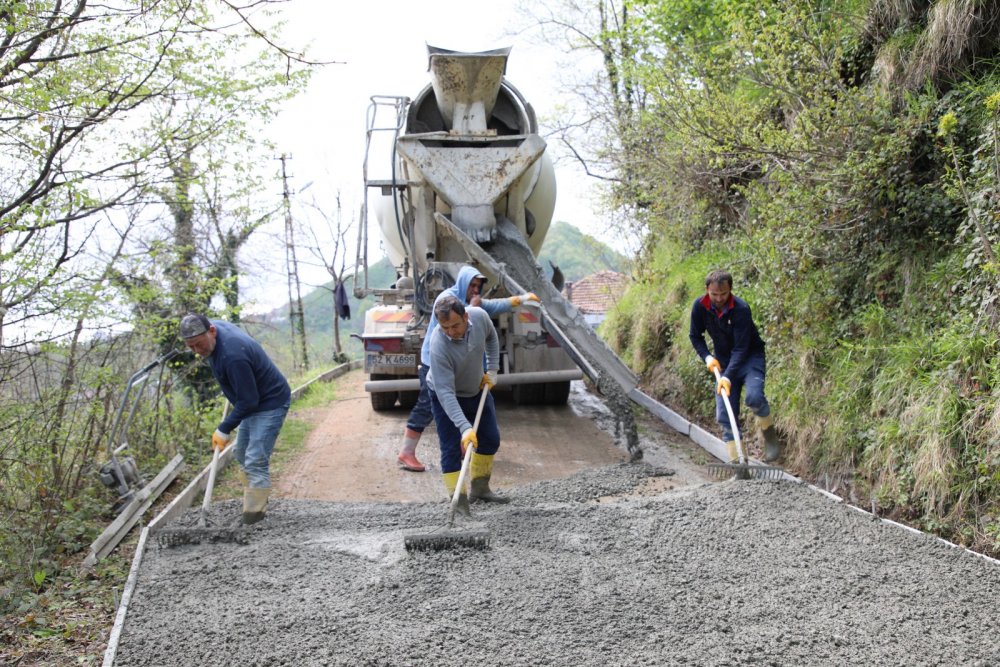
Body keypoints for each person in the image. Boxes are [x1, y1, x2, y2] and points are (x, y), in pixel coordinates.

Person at [396, 265, 538, 472]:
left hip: (459, 360)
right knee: (429, 405)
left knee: (464, 405)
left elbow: (488, 307)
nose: (475, 289)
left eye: (478, 285)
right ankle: (406, 452)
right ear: (463, 283)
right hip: (435, 361)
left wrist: (519, 300)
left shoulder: (470, 307)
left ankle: (464, 445)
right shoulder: (446, 301)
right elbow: (450, 331)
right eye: (471, 285)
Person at [180, 313, 292, 525]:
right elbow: (247, 398)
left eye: (198, 344)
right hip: (251, 399)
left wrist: (224, 428)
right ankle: (255, 494)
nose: (196, 351)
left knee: (255, 459)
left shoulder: (233, 355)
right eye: (191, 346)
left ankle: (254, 517)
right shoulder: (215, 332)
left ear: (212, 331)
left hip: (269, 402)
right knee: (241, 453)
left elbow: (249, 401)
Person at [688, 270, 781, 466]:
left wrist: (727, 377)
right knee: (724, 414)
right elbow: (695, 336)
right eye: (714, 294)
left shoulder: (741, 309)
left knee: (754, 397)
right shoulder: (700, 307)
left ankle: (770, 435)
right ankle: (739, 464)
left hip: (749, 358)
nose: (719, 299)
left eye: (724, 294)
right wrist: (707, 358)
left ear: (730, 290)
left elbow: (741, 348)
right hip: (722, 360)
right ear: (707, 290)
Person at [425, 295, 508, 510]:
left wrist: (492, 369)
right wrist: (464, 428)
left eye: (455, 325)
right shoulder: (438, 345)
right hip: (446, 397)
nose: (451, 332)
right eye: (445, 327)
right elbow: (445, 392)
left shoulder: (480, 317)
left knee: (490, 440)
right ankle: (459, 503)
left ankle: (480, 489)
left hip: (477, 389)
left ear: (466, 316)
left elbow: (491, 336)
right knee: (451, 449)